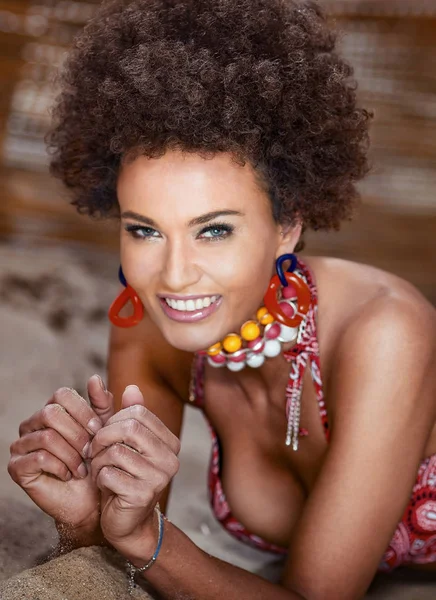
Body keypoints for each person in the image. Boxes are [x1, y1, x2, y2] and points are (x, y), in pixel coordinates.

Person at [7, 0, 436, 598]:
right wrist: (85, 519)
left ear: (287, 226)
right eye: (145, 229)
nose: (175, 276)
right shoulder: (144, 327)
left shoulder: (386, 331)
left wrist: (142, 539)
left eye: (214, 229)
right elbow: (126, 538)